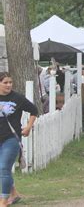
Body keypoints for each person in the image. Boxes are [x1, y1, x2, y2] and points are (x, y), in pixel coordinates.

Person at [0, 72, 38, 206]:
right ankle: (14, 194)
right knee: (1, 169)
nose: (9, 85)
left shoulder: (18, 98)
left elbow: (34, 110)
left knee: (4, 168)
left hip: (11, 138)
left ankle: (3, 201)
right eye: (5, 82)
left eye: (10, 82)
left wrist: (28, 127)